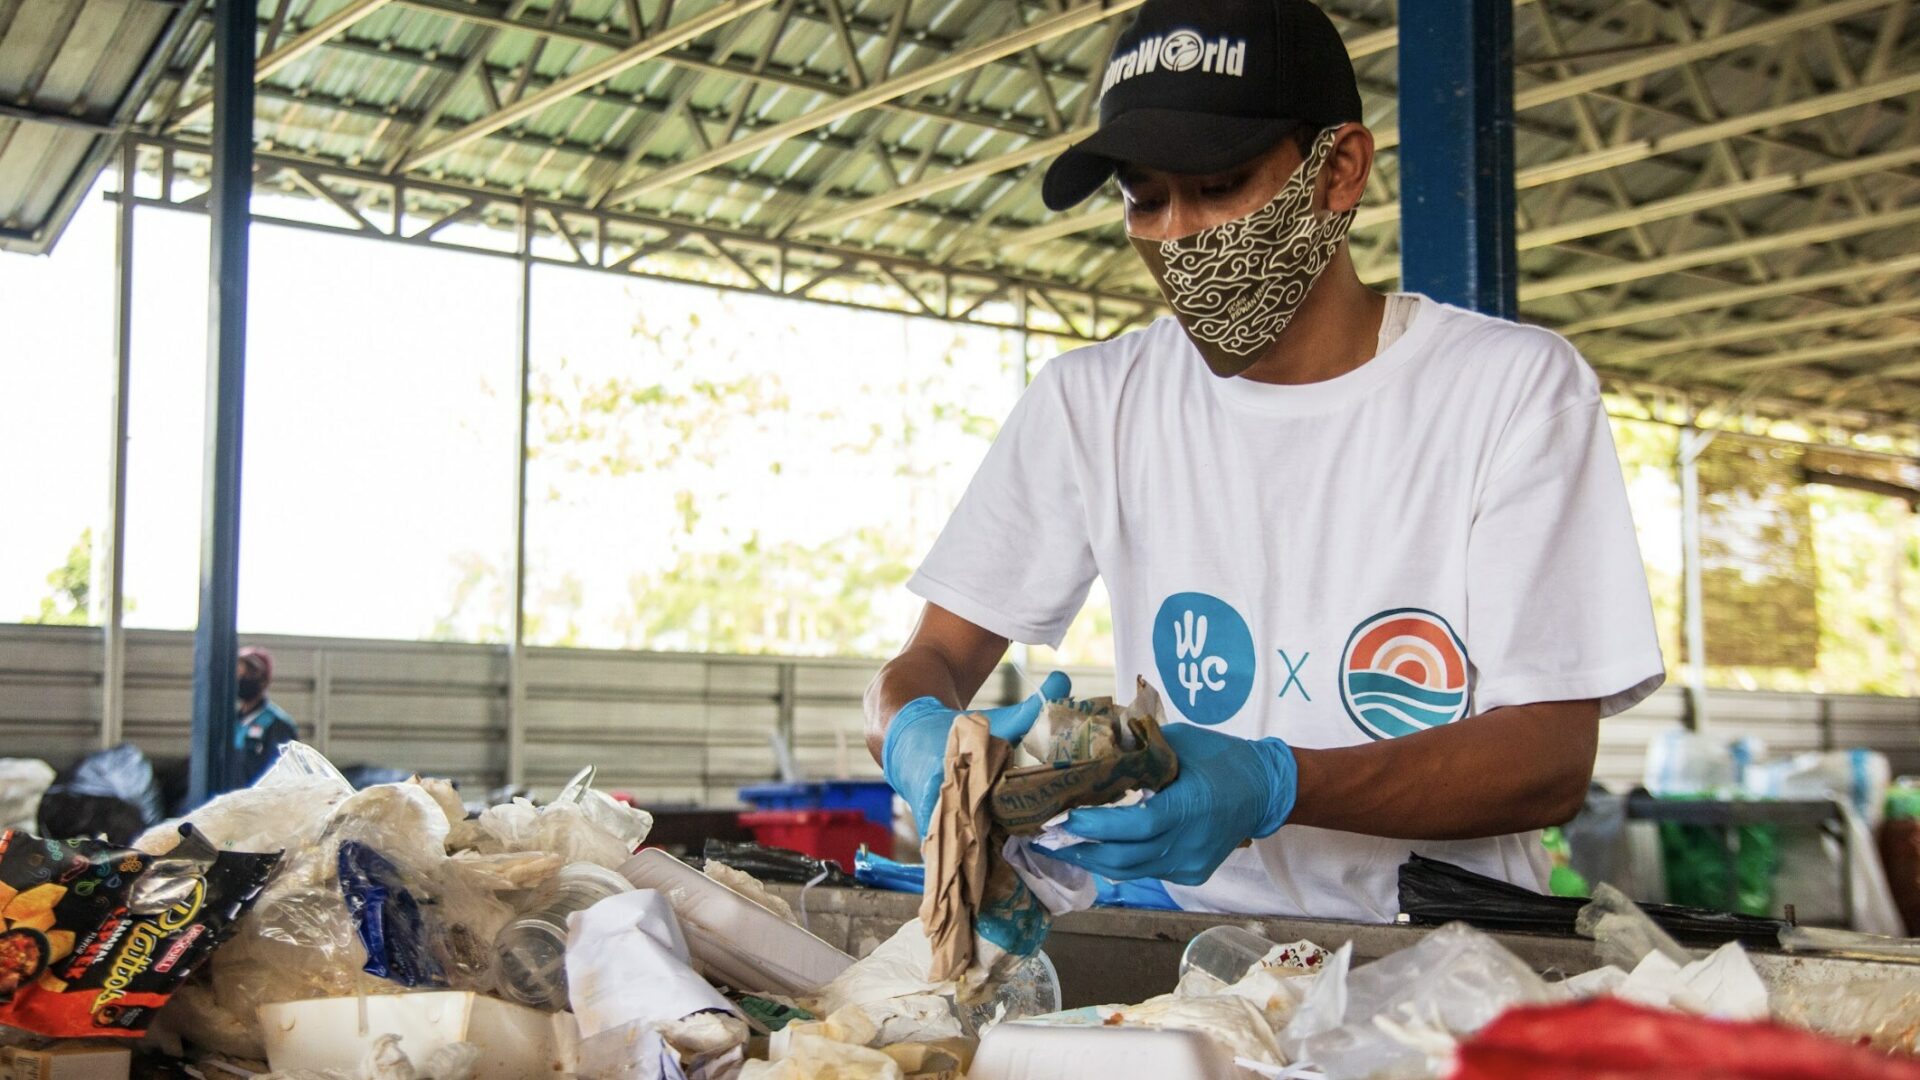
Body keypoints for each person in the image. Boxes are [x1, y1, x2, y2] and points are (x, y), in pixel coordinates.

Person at [864, 0, 1664, 922]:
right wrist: (919, 737)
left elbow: (1547, 763)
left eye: (1220, 185)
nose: (1179, 234)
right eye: (1145, 197)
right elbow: (926, 661)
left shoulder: (1508, 392)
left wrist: (1278, 785)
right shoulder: (1095, 403)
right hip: (1187, 959)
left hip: (1440, 958)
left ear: (1339, 172)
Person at [236, 645, 298, 784]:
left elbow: (279, 778)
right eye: (239, 674)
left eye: (249, 674)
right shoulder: (230, 722)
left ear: (264, 680)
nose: (242, 678)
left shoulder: (278, 725)